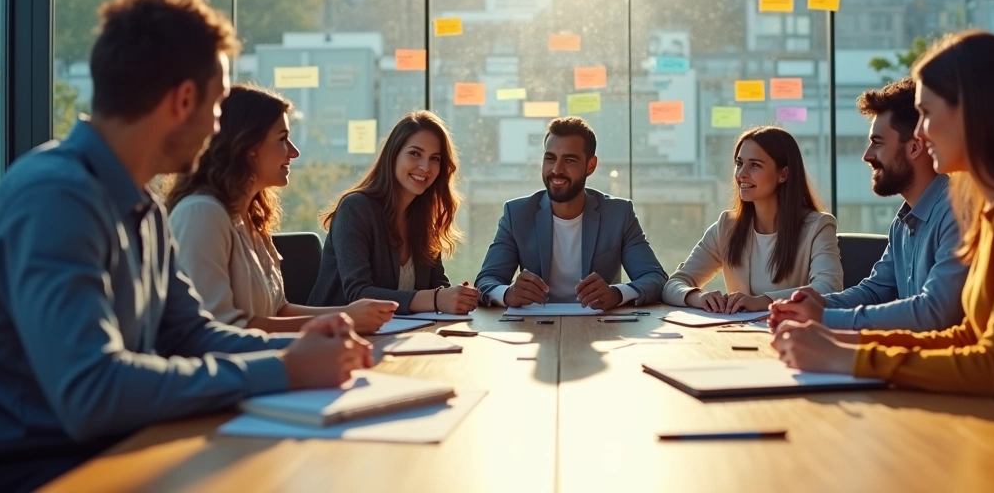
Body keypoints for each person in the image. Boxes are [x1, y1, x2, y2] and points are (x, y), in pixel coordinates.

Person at [0, 0, 373, 491]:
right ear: (183, 100)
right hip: (60, 472)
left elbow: (191, 335)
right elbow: (92, 392)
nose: (218, 128)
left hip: (128, 449)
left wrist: (302, 349)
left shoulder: (143, 205)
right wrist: (285, 370)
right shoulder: (54, 199)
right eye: (218, 107)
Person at [773, 30, 994, 413]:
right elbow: (968, 336)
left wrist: (848, 358)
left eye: (926, 113)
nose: (920, 133)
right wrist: (840, 344)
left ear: (971, 112)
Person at [166, 84, 397, 335]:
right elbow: (221, 328)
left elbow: (279, 311)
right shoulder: (201, 214)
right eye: (282, 139)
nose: (294, 152)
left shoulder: (252, 218)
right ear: (247, 147)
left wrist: (351, 313)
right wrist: (345, 319)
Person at [768, 78, 967, 331]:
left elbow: (934, 312)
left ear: (915, 147)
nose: (867, 155)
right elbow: (874, 291)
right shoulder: (903, 223)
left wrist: (823, 318)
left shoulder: (956, 213)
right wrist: (813, 305)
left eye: (878, 142)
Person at [475, 117, 667, 309]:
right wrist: (508, 294)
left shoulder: (618, 214)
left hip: (599, 325)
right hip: (534, 326)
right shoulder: (517, 214)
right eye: (550, 158)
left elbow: (655, 278)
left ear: (590, 166)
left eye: (570, 160)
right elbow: (486, 280)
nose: (556, 170)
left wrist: (616, 294)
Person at [307, 111, 479, 314]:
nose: (425, 167)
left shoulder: (423, 217)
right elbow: (358, 294)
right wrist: (436, 299)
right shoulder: (355, 209)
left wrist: (461, 296)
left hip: (400, 335)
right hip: (335, 335)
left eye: (435, 159)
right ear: (393, 155)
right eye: (415, 153)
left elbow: (436, 285)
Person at [662, 126, 842, 313]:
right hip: (740, 336)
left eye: (755, 165)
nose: (741, 174)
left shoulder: (818, 227)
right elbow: (673, 285)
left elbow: (828, 289)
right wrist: (699, 297)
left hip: (793, 336)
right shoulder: (727, 226)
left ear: (783, 174)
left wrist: (761, 302)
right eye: (739, 163)